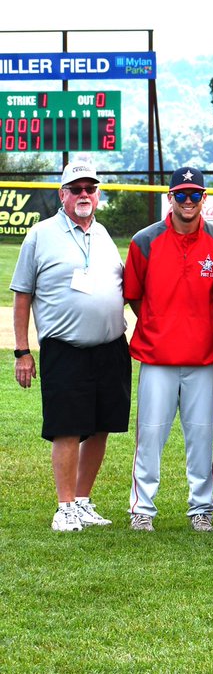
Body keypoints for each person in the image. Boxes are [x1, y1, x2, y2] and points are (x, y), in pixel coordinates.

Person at [11, 161, 129, 532]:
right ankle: (64, 507)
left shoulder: (103, 233)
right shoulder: (40, 234)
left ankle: (82, 501)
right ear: (62, 194)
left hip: (110, 347)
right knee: (67, 427)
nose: (83, 195)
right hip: (65, 347)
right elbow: (22, 295)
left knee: (101, 426)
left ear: (98, 194)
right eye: (75, 189)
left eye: (90, 188)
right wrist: (22, 351)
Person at [125, 167, 213, 532]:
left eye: (195, 194)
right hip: (157, 357)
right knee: (150, 436)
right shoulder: (144, 240)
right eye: (181, 195)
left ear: (204, 198)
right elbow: (134, 296)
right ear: (169, 198)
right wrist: (159, 324)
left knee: (201, 437)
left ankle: (201, 508)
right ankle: (142, 508)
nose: (189, 201)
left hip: (202, 358)